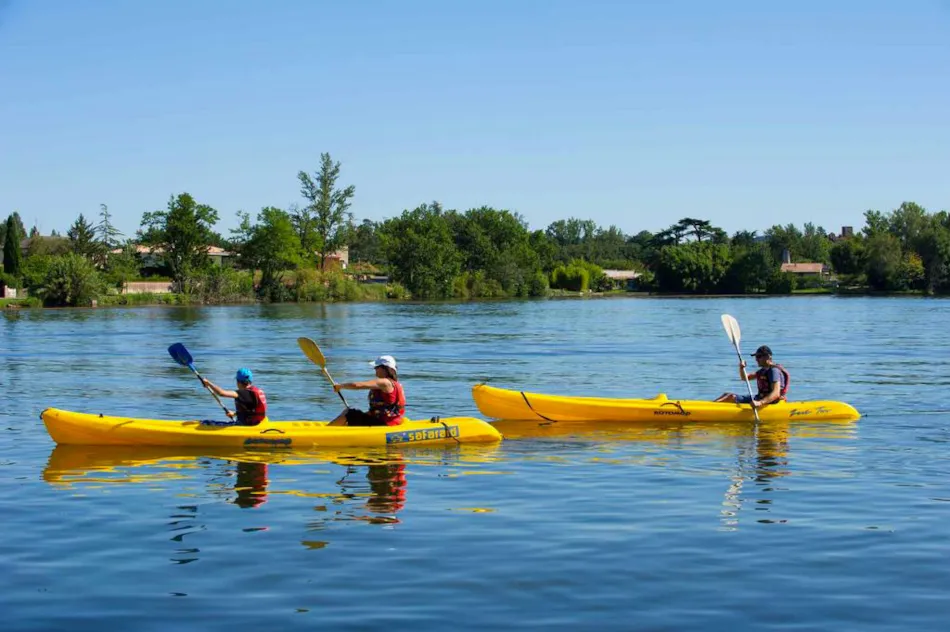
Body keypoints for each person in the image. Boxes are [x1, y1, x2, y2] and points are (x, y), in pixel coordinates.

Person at [328, 355, 406, 426]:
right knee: (351, 412)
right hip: (391, 421)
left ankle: (327, 431)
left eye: (376, 367)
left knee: (349, 413)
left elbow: (358, 385)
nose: (374, 369)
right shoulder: (395, 384)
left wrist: (340, 386)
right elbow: (379, 409)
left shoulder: (384, 382)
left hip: (384, 423)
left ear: (384, 369)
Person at [715, 345, 790, 408]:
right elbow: (745, 378)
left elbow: (776, 393)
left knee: (731, 397)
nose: (756, 359)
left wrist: (760, 403)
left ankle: (711, 409)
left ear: (768, 357)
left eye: (759, 356)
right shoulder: (763, 371)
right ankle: (709, 406)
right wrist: (741, 368)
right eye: (756, 357)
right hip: (760, 398)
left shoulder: (774, 371)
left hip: (770, 403)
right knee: (727, 395)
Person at [201, 368, 267, 426]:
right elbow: (251, 410)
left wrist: (208, 383)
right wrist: (235, 414)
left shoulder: (243, 393)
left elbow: (221, 393)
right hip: (258, 423)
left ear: (238, 382)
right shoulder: (256, 391)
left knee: (206, 423)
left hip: (246, 426)